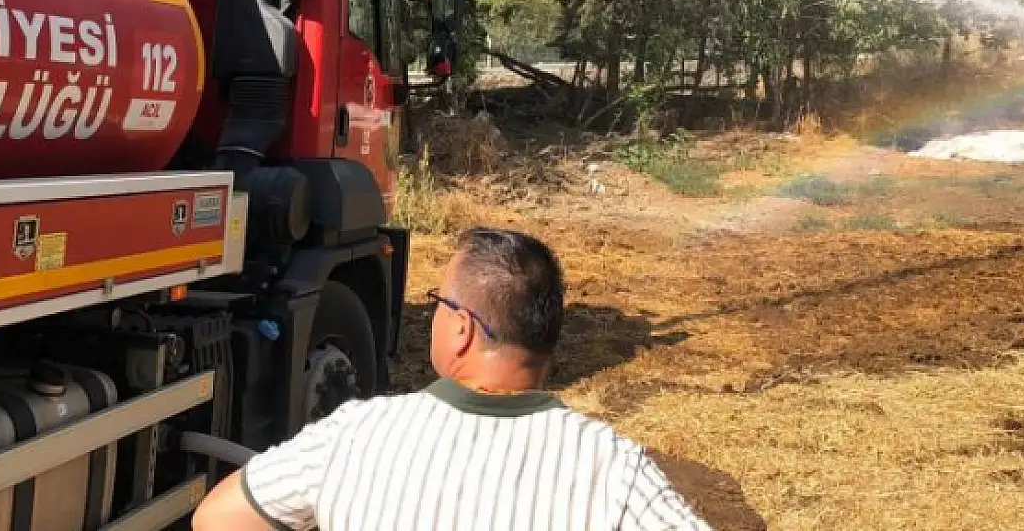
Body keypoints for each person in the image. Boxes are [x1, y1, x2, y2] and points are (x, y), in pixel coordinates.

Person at [191, 227, 714, 531]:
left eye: (438, 303)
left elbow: (215, 520)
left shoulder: (356, 435)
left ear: (462, 329)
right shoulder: (611, 468)